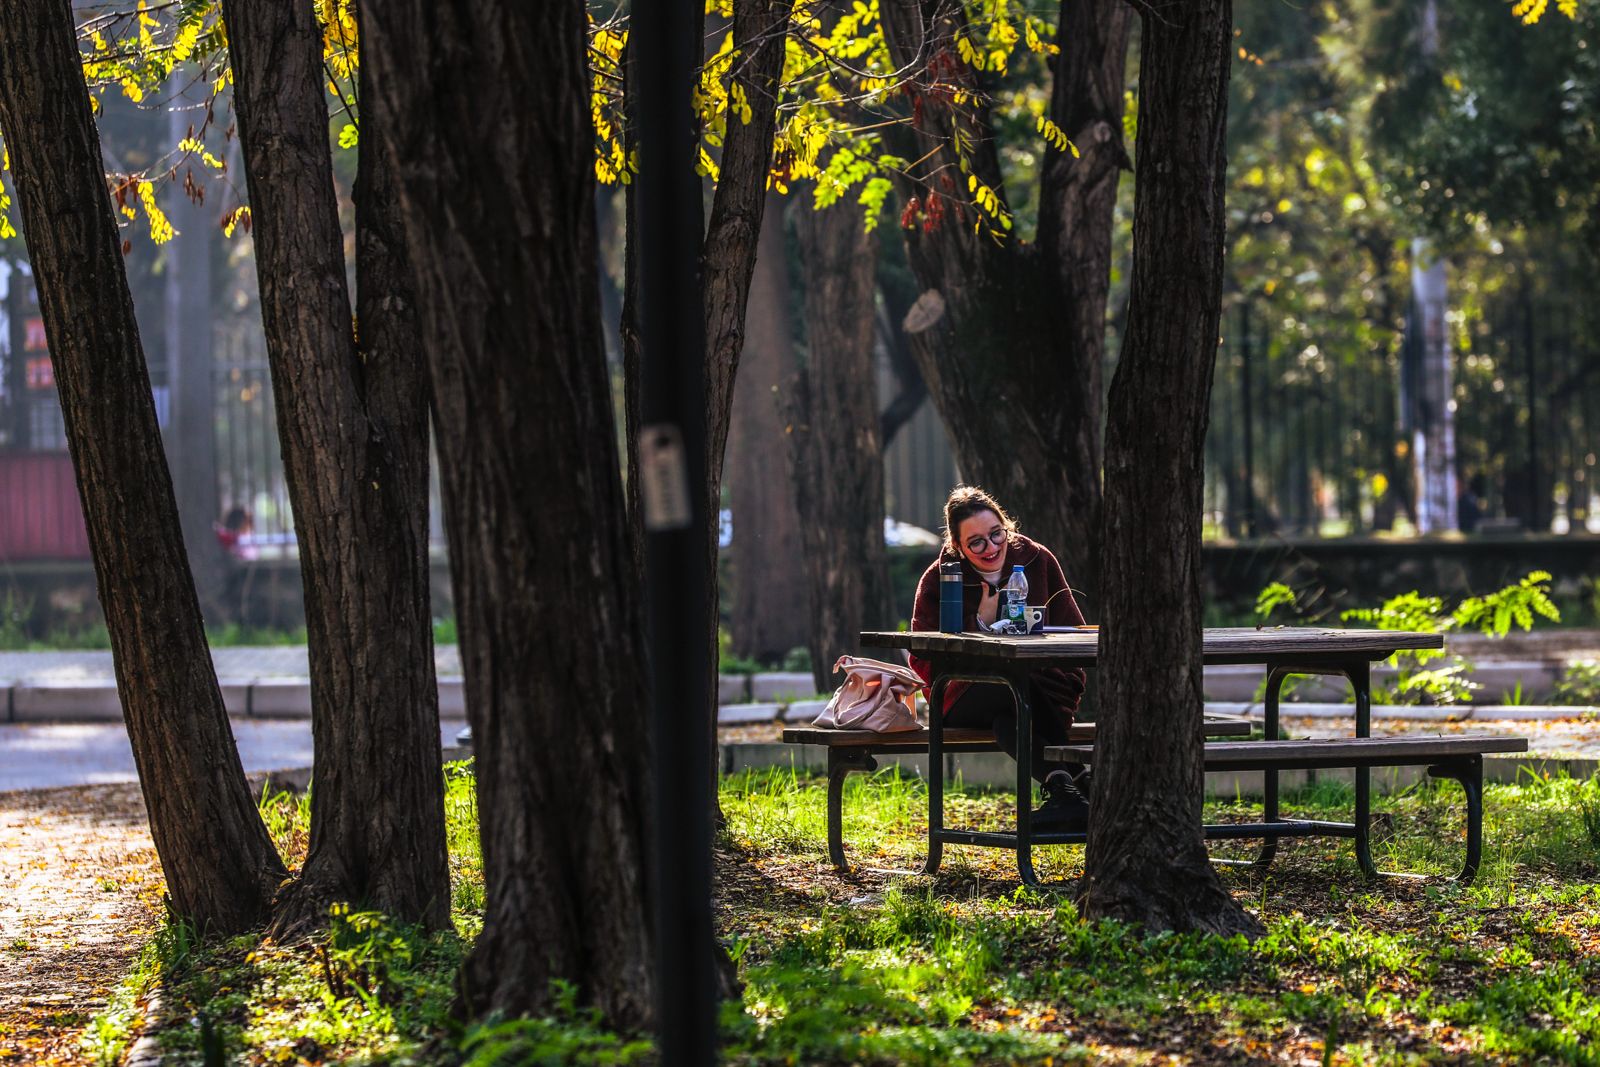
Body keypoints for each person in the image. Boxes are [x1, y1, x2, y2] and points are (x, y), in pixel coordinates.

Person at [909, 485, 1091, 830]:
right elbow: (922, 655)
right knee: (1007, 687)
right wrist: (980, 622)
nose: (991, 548)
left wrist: (1064, 677)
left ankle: (1065, 792)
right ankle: (1084, 781)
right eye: (976, 542)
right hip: (964, 695)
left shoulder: (1038, 560)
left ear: (1007, 526)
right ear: (957, 545)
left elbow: (1075, 632)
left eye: (997, 534)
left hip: (1044, 691)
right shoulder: (939, 578)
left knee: (1007, 720)